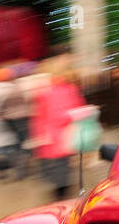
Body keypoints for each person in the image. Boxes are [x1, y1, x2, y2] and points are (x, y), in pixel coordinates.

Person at [30, 54, 86, 201]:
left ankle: (59, 200)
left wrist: (38, 135)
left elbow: (39, 116)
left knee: (57, 175)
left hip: (50, 138)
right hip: (65, 137)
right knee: (63, 174)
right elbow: (75, 112)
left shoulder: (43, 91)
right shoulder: (69, 90)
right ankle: (62, 201)